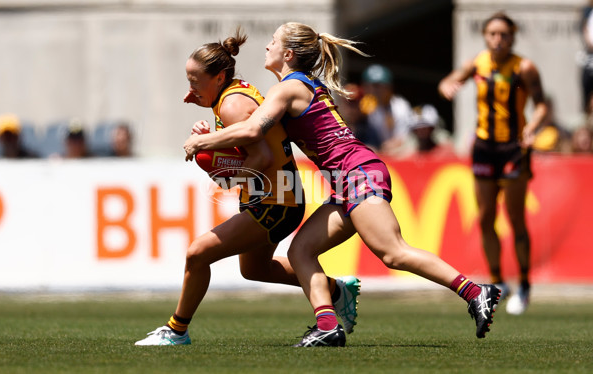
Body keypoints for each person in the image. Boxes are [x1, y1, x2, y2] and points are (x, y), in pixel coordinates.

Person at [183, 22, 501, 347]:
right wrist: (210, 115)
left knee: (392, 253)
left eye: (274, 41)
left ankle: (476, 292)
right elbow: (248, 130)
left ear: (288, 54)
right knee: (301, 250)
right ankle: (327, 326)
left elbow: (252, 132)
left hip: (356, 172)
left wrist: (203, 143)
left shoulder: (287, 88)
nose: (268, 46)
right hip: (347, 177)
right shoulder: (294, 85)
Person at [135, 29, 360, 346]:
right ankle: (337, 291)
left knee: (197, 254)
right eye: (188, 80)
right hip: (277, 195)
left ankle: (176, 330)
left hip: (275, 200)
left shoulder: (232, 104)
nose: (190, 88)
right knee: (255, 269)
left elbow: (261, 155)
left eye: (195, 80)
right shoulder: (230, 96)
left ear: (219, 76)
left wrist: (224, 174)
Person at [438, 12, 549, 315]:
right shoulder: (479, 62)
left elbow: (542, 105)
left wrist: (533, 126)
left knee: (515, 218)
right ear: (486, 36)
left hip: (514, 148)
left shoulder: (523, 67)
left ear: (512, 38)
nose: (497, 40)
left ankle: (524, 283)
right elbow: (450, 79)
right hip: (485, 148)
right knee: (486, 218)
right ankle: (498, 282)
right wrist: (448, 85)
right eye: (492, 34)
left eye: (503, 35)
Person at [359, 64, 414, 154]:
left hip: (398, 150)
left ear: (389, 87)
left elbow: (402, 139)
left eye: (377, 86)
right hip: (378, 149)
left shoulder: (400, 106)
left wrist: (384, 148)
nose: (373, 90)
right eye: (368, 85)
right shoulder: (366, 105)